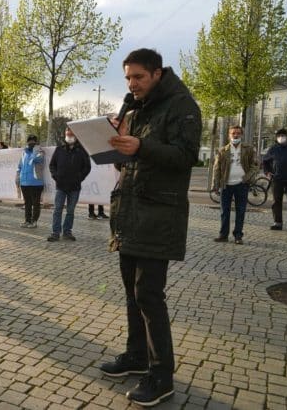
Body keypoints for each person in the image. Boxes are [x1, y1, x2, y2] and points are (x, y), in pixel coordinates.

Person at [102, 48, 201, 407]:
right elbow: (129, 161)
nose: (132, 84)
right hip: (130, 211)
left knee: (149, 296)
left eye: (138, 77)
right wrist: (117, 141)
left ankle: (161, 375)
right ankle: (136, 355)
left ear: (157, 73)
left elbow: (186, 156)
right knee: (131, 292)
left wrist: (141, 145)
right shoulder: (137, 107)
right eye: (128, 77)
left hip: (160, 215)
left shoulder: (182, 105)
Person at [212, 126, 258, 244]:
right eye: (233, 133)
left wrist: (247, 178)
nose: (235, 135)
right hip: (226, 185)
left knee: (240, 211)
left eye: (238, 133)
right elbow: (216, 169)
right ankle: (223, 235)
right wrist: (215, 185)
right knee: (224, 211)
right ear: (229, 135)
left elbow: (255, 165)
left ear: (241, 135)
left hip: (241, 185)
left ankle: (238, 236)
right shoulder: (223, 150)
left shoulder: (248, 149)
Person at [47, 127, 91, 241]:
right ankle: (55, 232)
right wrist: (56, 176)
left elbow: (87, 167)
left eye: (71, 135)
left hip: (75, 187)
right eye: (67, 134)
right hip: (61, 186)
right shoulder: (59, 149)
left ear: (75, 136)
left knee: (70, 211)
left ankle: (67, 232)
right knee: (57, 210)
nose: (69, 137)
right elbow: (52, 165)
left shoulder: (81, 151)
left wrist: (79, 178)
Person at [263, 128, 287, 231]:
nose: (281, 137)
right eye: (279, 136)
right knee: (277, 201)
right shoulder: (273, 148)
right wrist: (267, 172)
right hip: (277, 178)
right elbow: (265, 161)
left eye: (282, 135)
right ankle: (277, 222)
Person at [17, 134, 45, 228]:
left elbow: (38, 159)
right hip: (24, 182)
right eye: (30, 141)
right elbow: (20, 166)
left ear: (36, 142)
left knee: (36, 203)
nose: (31, 142)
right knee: (27, 203)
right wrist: (18, 177)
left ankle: (34, 221)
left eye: (33, 141)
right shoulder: (24, 152)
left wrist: (35, 149)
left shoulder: (40, 151)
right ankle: (27, 221)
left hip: (36, 183)